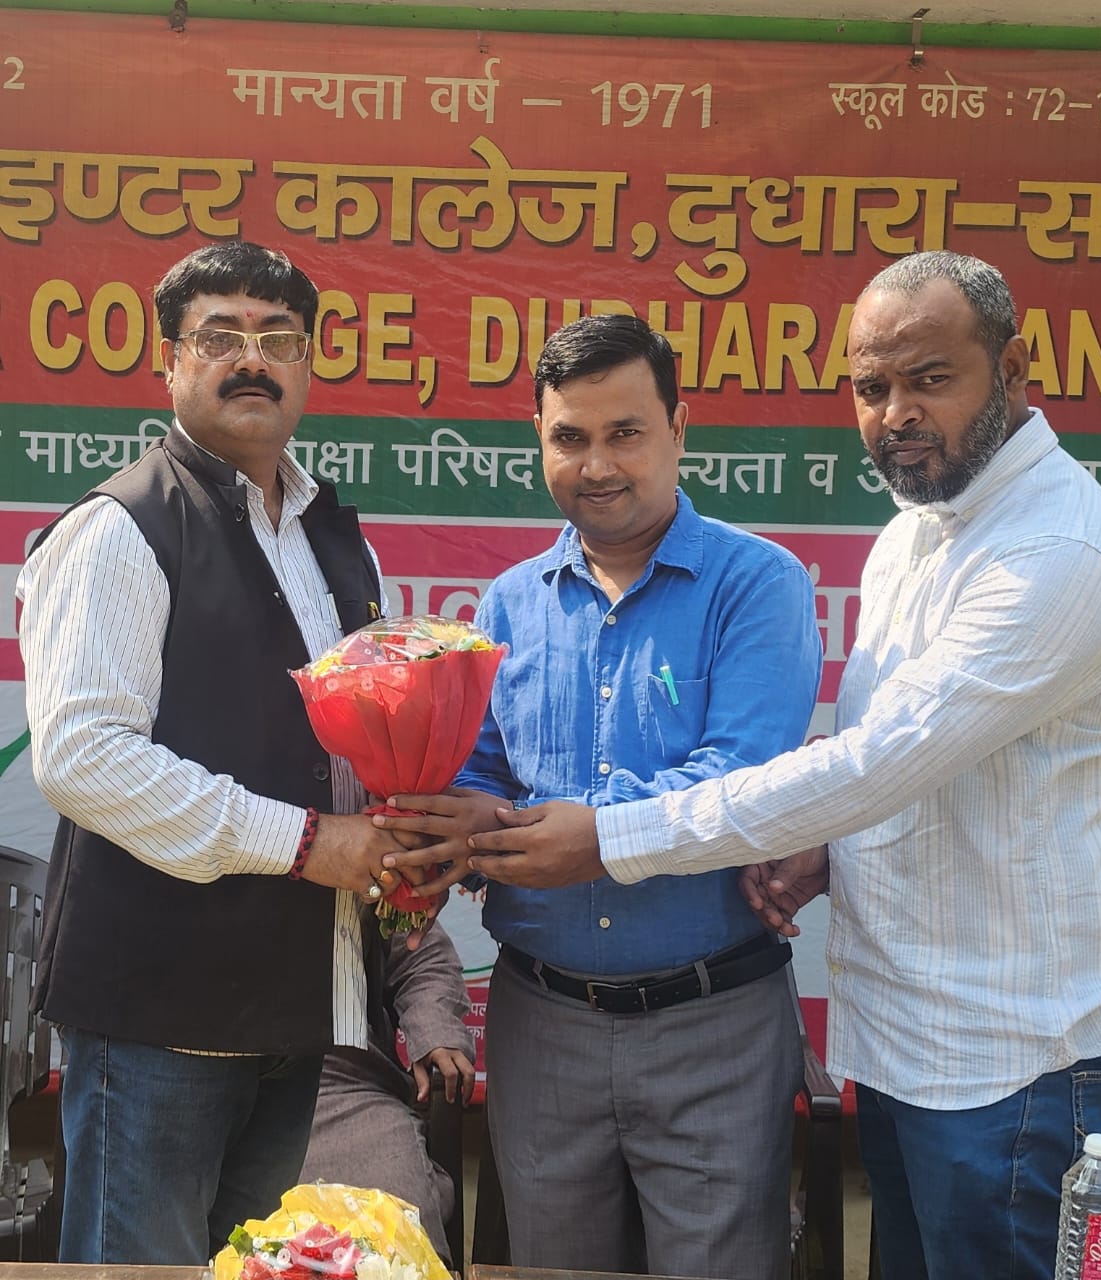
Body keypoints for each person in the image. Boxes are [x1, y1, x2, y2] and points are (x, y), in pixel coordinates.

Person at [450, 252, 1101, 1280]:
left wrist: (605, 837)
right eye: (872, 386)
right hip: (915, 1043)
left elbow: (878, 761)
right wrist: (826, 845)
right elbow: (892, 763)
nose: (896, 413)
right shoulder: (917, 534)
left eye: (929, 378)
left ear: (1012, 369)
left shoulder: (1055, 550)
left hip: (1021, 1052)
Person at [379, 314, 823, 1279]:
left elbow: (742, 780)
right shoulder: (509, 602)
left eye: (625, 433)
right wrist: (448, 828)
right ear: (539, 441)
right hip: (543, 1022)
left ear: (678, 428)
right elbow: (483, 770)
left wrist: (585, 834)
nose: (597, 465)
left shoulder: (759, 584)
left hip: (712, 1023)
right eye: (569, 438)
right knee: (552, 1267)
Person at [17, 242, 416, 1265]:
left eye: (278, 339)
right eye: (220, 337)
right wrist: (308, 843)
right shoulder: (120, 528)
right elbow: (83, 757)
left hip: (290, 1009)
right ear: (170, 361)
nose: (252, 360)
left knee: (245, 1264)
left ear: (309, 361)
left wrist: (404, 830)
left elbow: (354, 742)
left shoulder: (337, 539)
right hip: (157, 1013)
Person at [300, 919, 475, 1265]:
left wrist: (433, 1027)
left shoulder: (354, 884)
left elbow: (421, 955)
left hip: (341, 1081)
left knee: (397, 1229)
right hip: (211, 1083)